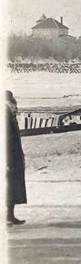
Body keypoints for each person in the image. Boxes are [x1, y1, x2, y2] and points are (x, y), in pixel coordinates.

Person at [6, 90, 27, 226]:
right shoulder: (5, 114)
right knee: (8, 187)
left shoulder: (9, 113)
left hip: (13, 157)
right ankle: (8, 216)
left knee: (11, 187)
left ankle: (10, 215)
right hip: (9, 158)